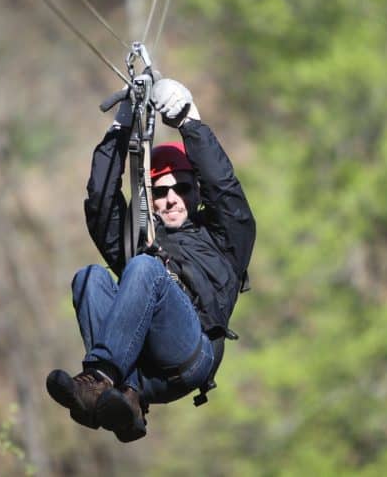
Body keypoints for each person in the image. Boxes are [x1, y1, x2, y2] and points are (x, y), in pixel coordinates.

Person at [46, 78, 255, 442]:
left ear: (196, 192)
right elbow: (100, 204)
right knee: (90, 277)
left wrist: (190, 123)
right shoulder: (138, 238)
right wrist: (119, 130)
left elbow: (227, 192)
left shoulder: (223, 239)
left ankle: (100, 379)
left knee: (144, 267)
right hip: (140, 367)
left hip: (190, 353)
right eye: (160, 191)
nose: (172, 199)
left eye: (182, 188)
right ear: (151, 197)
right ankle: (124, 402)